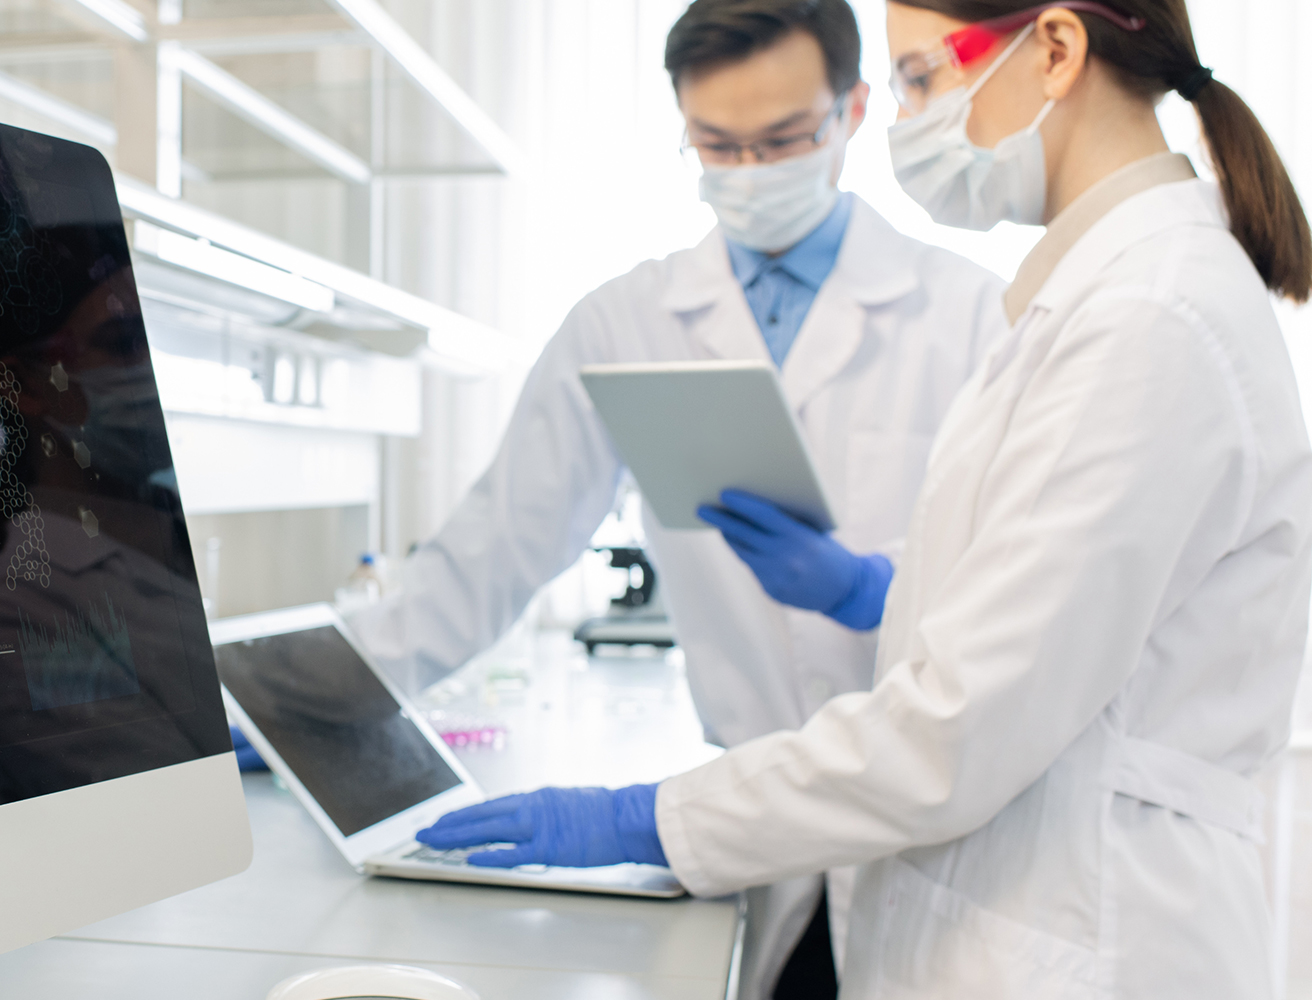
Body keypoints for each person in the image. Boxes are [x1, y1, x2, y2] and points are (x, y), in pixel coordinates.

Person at [419, 1, 1312, 996]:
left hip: (1085, 936)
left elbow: (956, 724)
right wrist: (877, 590)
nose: (909, 121)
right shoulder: (1097, 300)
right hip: (993, 891)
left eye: (921, 79)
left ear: (1053, 49)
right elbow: (1029, 626)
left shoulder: (1147, 316)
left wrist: (647, 815)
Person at [340, 1, 1010, 996]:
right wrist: (323, 700)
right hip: (752, 826)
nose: (747, 172)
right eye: (715, 144)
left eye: (780, 140)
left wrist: (876, 591)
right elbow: (494, 547)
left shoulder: (967, 314)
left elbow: (1019, 589)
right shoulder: (624, 320)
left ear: (852, 110)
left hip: (942, 836)